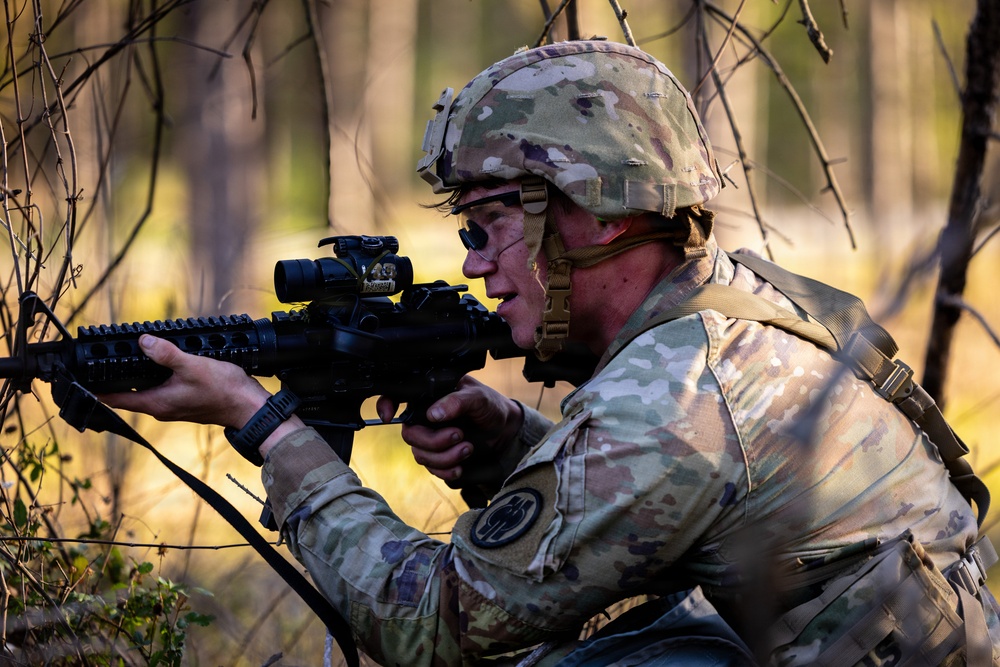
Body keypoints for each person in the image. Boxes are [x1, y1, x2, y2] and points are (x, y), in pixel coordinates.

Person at [103, 40, 1000, 666]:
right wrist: (520, 444)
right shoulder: (737, 305)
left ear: (601, 213)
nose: (475, 262)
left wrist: (267, 428)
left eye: (494, 221)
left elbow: (432, 624)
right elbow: (692, 494)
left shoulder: (674, 401)